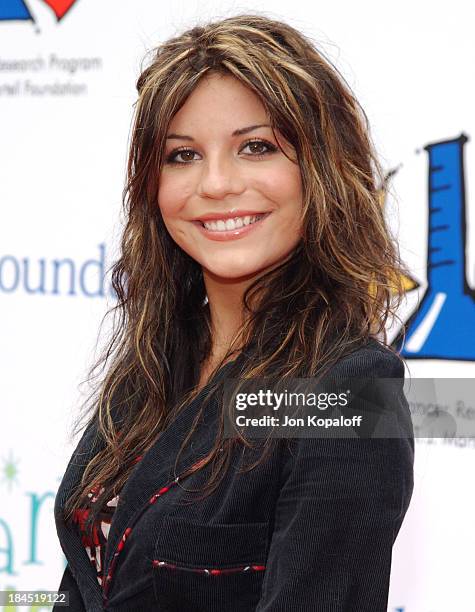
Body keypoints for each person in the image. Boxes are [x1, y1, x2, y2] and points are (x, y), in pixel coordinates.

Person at [53, 13, 414, 611]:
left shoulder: (344, 390)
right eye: (183, 155)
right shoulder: (153, 363)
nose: (216, 183)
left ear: (320, 171)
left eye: (256, 146)